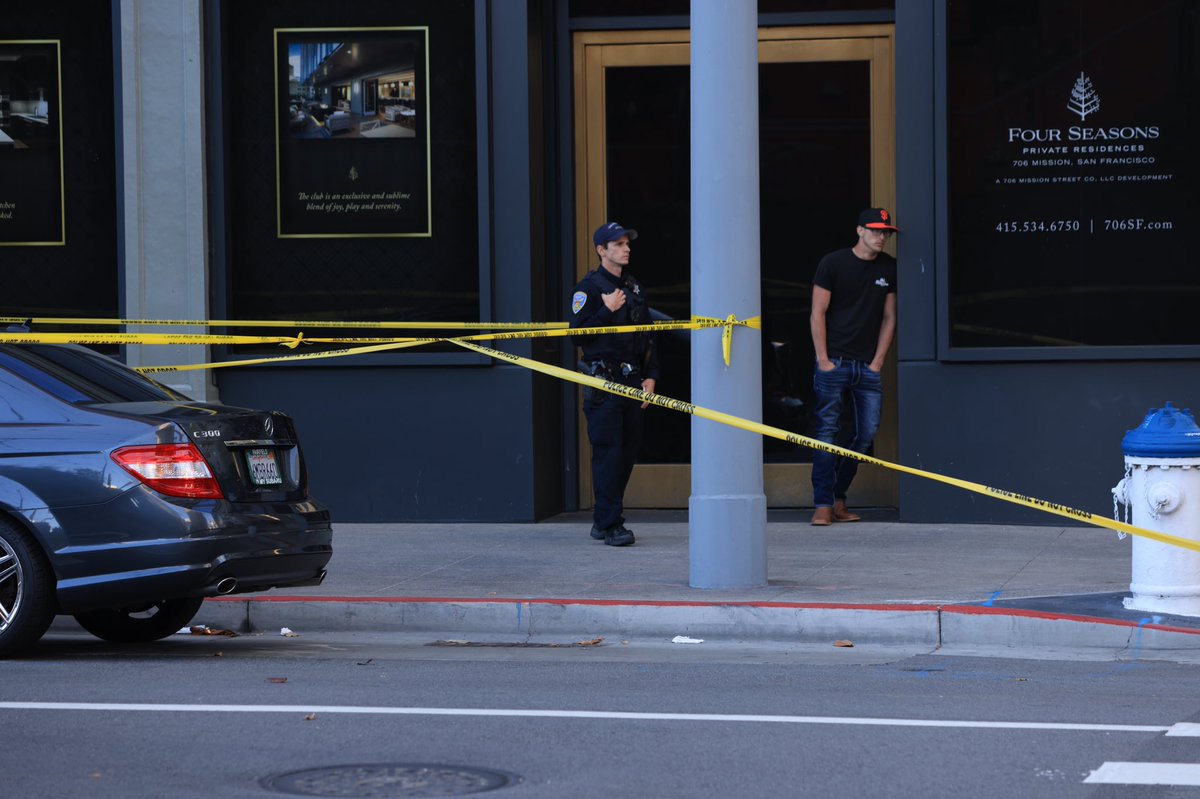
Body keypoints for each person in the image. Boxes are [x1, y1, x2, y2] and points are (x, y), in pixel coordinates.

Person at [569, 222, 659, 546]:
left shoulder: (634, 288)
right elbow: (577, 335)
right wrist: (606, 311)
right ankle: (611, 525)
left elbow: (648, 336)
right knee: (608, 452)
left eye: (626, 243)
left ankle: (603, 518)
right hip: (602, 380)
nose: (626, 248)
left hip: (633, 380)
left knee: (628, 451)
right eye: (618, 244)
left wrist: (651, 377)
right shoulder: (589, 289)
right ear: (601, 251)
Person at [808, 208, 898, 526]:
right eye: (875, 230)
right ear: (859, 231)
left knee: (865, 435)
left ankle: (837, 497)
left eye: (886, 232)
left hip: (867, 367)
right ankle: (823, 504)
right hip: (834, 362)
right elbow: (817, 312)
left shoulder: (889, 266)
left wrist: (877, 362)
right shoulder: (833, 263)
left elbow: (889, 317)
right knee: (826, 432)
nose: (881, 237)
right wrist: (823, 359)